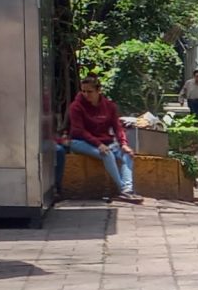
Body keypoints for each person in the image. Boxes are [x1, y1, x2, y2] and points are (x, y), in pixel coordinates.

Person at [59, 73, 142, 203]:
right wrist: (98, 144)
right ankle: (122, 190)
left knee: (127, 154)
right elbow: (79, 131)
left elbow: (117, 127)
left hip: (104, 141)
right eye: (83, 91)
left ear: (98, 91)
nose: (86, 95)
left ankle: (128, 189)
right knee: (107, 154)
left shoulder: (109, 106)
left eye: (89, 92)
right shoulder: (76, 106)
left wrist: (123, 144)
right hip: (80, 141)